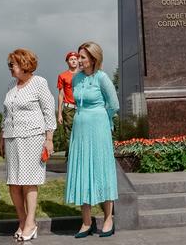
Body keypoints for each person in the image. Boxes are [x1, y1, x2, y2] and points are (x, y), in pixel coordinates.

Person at [0, 49, 56, 242]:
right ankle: (23, 221)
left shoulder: (39, 83)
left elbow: (48, 111)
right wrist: (2, 137)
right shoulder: (11, 85)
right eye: (9, 64)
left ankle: (31, 223)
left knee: (29, 181)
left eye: (12, 64)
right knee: (13, 182)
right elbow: (6, 114)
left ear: (24, 64)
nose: (10, 68)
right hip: (11, 138)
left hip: (33, 137)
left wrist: (49, 139)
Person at [65, 42, 119, 238]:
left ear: (93, 59)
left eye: (83, 57)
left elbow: (114, 104)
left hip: (98, 128)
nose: (79, 60)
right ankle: (86, 222)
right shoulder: (76, 78)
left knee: (101, 169)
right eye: (78, 57)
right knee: (82, 170)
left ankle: (108, 219)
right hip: (80, 128)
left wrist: (103, 119)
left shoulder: (102, 78)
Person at [55, 51, 79, 154]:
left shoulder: (83, 74)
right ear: (67, 61)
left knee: (82, 132)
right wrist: (60, 114)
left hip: (82, 108)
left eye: (75, 59)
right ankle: (70, 156)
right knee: (69, 133)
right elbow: (61, 95)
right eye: (71, 59)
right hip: (69, 108)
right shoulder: (62, 75)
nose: (73, 61)